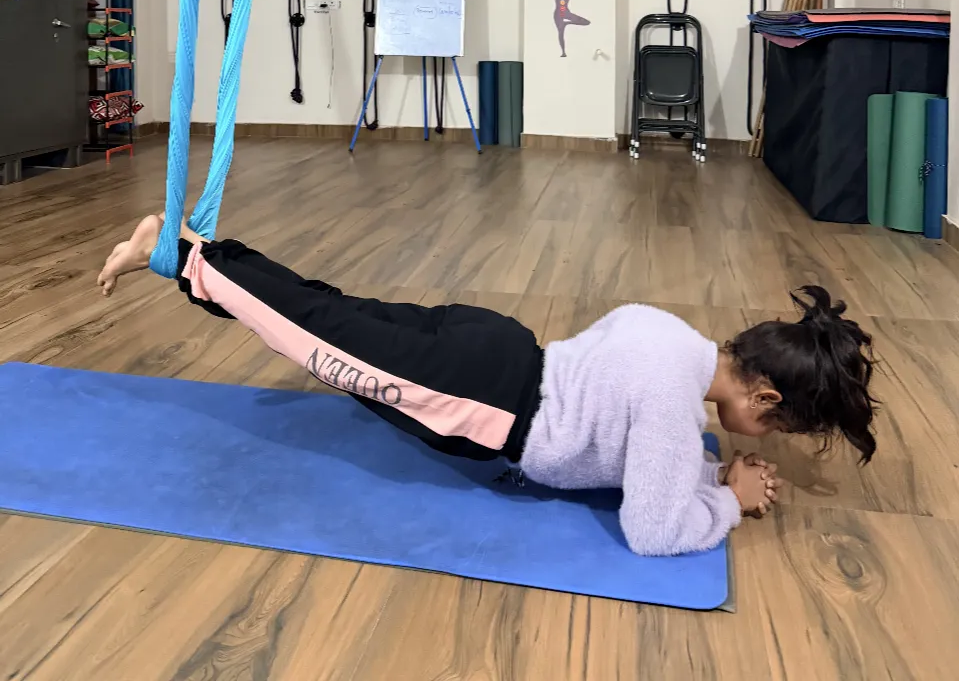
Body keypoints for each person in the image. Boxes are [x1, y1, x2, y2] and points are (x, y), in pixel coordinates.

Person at [98, 215, 877, 558]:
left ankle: (197, 245)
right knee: (316, 338)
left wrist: (705, 473)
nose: (769, 438)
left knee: (331, 309)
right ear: (766, 398)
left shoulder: (669, 333)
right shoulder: (675, 409)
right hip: (483, 399)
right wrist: (727, 500)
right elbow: (653, 530)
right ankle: (183, 258)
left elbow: (628, 434)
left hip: (495, 342)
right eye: (781, 427)